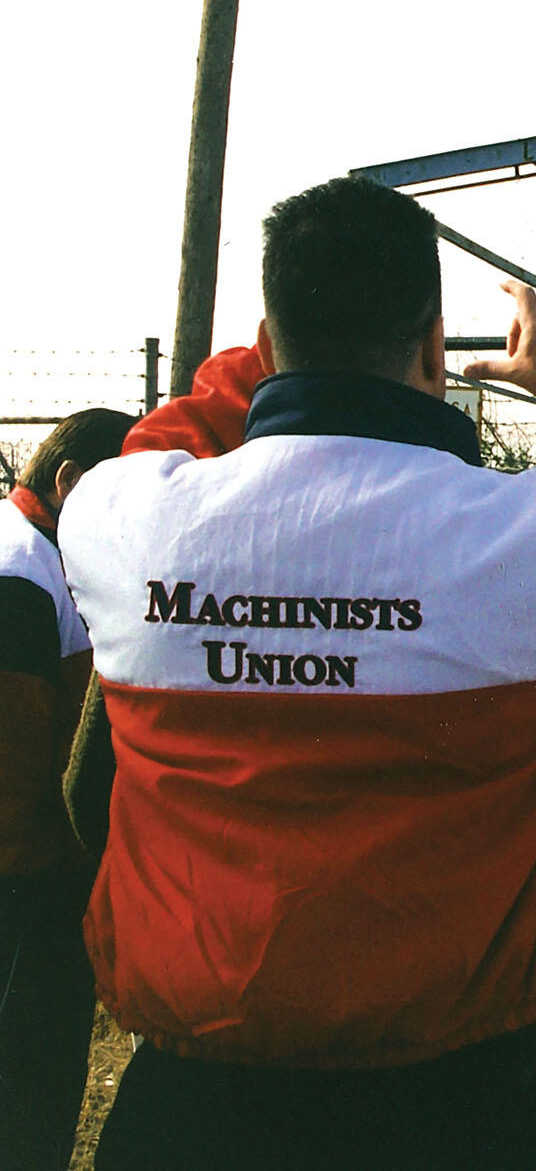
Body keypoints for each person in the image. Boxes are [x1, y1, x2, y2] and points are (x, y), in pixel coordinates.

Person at [58, 174, 536, 1170]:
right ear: (435, 347)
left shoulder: (116, 517)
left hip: (196, 1102)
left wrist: (259, 364)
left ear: (273, 336)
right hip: (463, 1106)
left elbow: (161, 442)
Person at [0, 408, 134, 1171]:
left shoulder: (33, 557)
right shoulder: (21, 569)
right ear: (71, 484)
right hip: (22, 899)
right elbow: (13, 789)